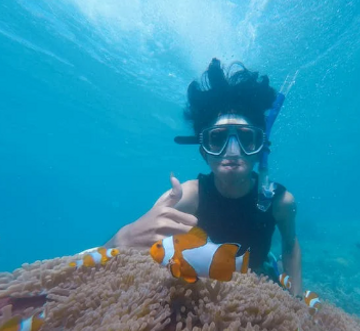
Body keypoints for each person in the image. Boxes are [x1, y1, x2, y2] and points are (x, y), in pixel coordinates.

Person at [106, 58, 302, 296]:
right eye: (217, 139)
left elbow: (290, 246)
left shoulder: (280, 202)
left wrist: (298, 298)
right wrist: (122, 238)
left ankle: (272, 264)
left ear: (260, 148)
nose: (232, 151)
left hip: (258, 273)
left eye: (246, 138)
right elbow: (143, 246)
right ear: (203, 150)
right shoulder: (187, 196)